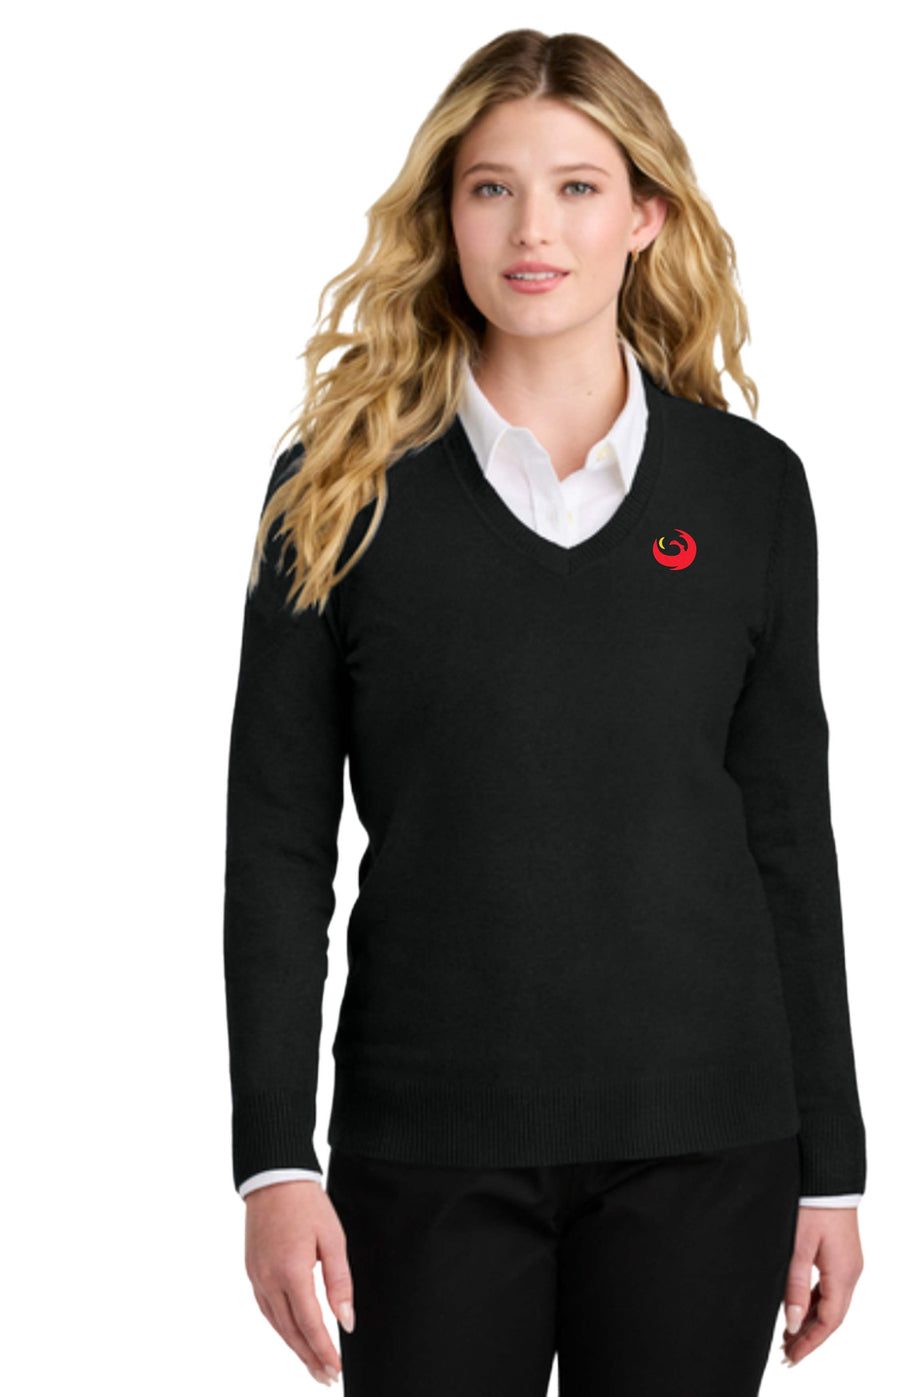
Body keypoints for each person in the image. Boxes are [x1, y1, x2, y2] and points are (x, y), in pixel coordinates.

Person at [223, 27, 867, 1396]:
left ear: (646, 216)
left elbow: (787, 834)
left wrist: (835, 1167)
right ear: (445, 215)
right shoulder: (335, 491)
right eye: (491, 188)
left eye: (578, 187)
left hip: (711, 1143)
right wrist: (274, 1159)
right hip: (425, 1147)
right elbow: (276, 844)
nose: (533, 229)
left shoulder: (753, 491)